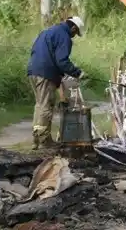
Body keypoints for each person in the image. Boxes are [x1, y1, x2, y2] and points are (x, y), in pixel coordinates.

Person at [26, 16, 85, 150]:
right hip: (45, 73)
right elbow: (62, 61)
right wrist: (77, 72)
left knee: (40, 105)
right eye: (76, 33)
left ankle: (36, 140)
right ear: (73, 27)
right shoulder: (64, 36)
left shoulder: (49, 31)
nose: (74, 36)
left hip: (33, 70)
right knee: (46, 106)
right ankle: (44, 141)